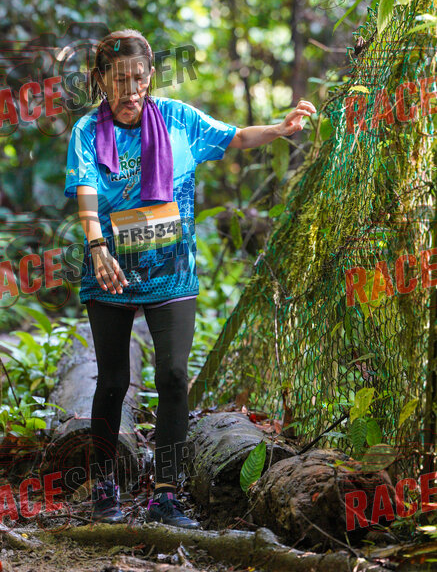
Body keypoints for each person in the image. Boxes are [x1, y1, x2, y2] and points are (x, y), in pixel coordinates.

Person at [64, 29, 316, 528]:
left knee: (174, 377)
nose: (131, 90)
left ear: (150, 76)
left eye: (139, 78)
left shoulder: (178, 119)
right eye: (120, 80)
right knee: (112, 380)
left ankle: (166, 494)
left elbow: (235, 137)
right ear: (101, 80)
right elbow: (87, 191)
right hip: (111, 269)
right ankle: (104, 486)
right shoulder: (87, 132)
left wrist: (280, 129)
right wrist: (96, 245)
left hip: (173, 272)